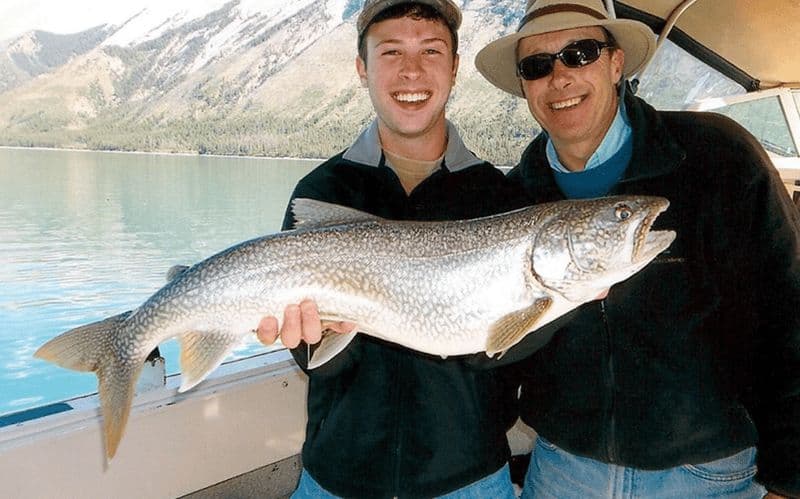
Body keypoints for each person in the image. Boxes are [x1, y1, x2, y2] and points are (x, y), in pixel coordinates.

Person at [475, 0, 800, 498]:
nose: (559, 77)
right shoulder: (510, 198)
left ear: (616, 62)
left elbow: (789, 315)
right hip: (564, 470)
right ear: (524, 85)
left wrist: (788, 480)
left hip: (711, 474)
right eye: (537, 65)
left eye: (580, 53)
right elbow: (497, 351)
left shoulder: (719, 156)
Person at [257, 1, 527, 497]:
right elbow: (315, 359)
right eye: (391, 52)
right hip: (337, 479)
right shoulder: (321, 191)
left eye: (430, 51)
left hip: (470, 480)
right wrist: (314, 342)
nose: (411, 71)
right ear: (362, 68)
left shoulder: (501, 198)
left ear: (454, 67)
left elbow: (512, 360)